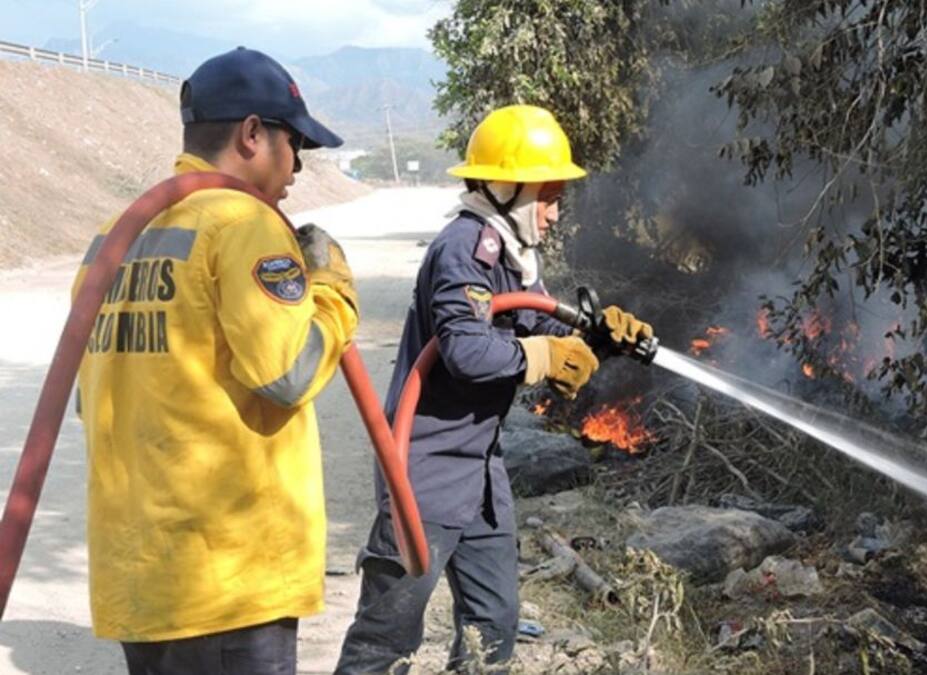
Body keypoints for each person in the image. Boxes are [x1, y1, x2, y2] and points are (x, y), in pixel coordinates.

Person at [335, 105, 654, 674]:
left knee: (495, 625)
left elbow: (539, 326)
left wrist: (601, 338)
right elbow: (466, 351)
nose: (554, 213)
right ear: (507, 189)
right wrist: (544, 355)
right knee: (386, 639)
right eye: (548, 196)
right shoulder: (464, 249)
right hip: (425, 470)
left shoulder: (513, 255)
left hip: (481, 473)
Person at [73, 47, 358, 675]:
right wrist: (332, 293)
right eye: (295, 143)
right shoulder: (243, 223)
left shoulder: (115, 233)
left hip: (142, 582)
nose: (299, 165)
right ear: (253, 134)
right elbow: (288, 374)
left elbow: (91, 397)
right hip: (228, 582)